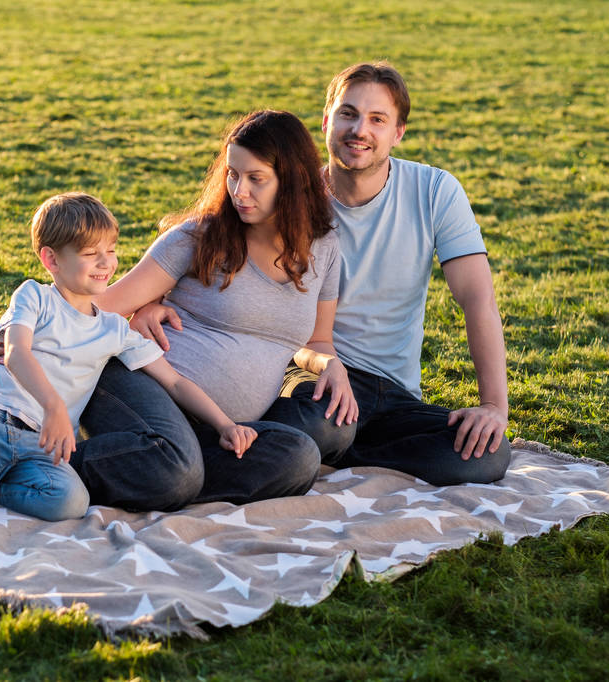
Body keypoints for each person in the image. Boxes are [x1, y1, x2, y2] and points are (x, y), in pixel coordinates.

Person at [136, 62, 512, 486]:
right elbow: (204, 241)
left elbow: (477, 299)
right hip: (305, 376)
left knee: (487, 454)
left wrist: (494, 406)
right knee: (327, 425)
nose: (360, 130)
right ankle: (299, 453)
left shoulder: (435, 192)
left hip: (392, 390)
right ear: (326, 120)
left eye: (377, 119)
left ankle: (318, 460)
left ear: (398, 132)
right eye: (348, 114)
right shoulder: (286, 195)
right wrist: (149, 301)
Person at [0, 110, 359, 511]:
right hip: (140, 378)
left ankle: (167, 463)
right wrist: (11, 333)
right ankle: (36, 466)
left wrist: (328, 365)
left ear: (294, 182)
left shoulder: (325, 249)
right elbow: (94, 304)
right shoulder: (201, 236)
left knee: (306, 450)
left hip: (216, 420)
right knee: (178, 470)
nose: (239, 191)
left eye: (256, 178)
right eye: (232, 174)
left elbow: (316, 339)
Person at [0, 192, 258, 521]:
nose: (106, 263)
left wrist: (224, 423)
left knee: (69, 503)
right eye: (91, 254)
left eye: (111, 250)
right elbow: (16, 352)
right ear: (51, 259)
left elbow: (175, 381)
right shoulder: (34, 297)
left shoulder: (114, 330)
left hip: (38, 445)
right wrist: (55, 407)